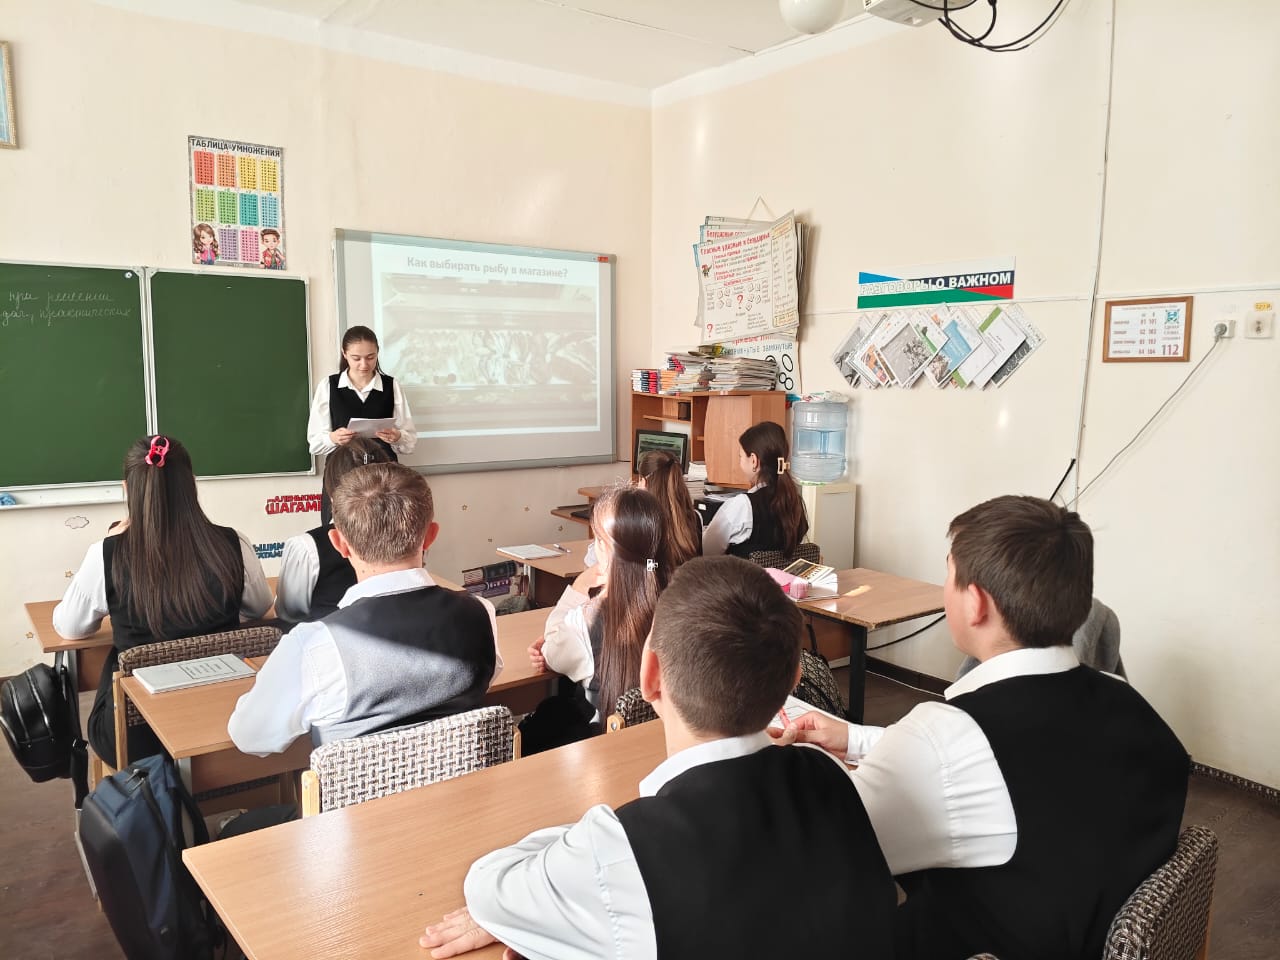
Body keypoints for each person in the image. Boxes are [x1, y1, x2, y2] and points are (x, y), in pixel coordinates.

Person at [420, 556, 895, 960]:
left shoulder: (619, 851)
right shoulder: (832, 775)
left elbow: (487, 887)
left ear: (649, 676)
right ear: (793, 680)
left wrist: (579, 854)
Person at [776, 495, 1189, 960]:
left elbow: (826, 850)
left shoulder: (945, 738)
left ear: (975, 603)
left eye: (948, 574)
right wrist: (855, 739)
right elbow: (1009, 769)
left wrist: (799, 764)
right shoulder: (1129, 702)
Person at [228, 462, 501, 755]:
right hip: (469, 783)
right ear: (431, 536)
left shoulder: (313, 645)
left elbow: (249, 737)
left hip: (356, 786)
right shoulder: (481, 612)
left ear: (339, 544)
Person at [53, 435, 272, 765]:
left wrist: (111, 542)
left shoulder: (107, 554)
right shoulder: (233, 543)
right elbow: (259, 606)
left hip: (136, 739)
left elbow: (70, 627)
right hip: (225, 720)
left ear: (127, 489)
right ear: (192, 485)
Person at [521, 485, 664, 752]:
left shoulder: (584, 621)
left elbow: (551, 651)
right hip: (657, 747)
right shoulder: (677, 601)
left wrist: (578, 588)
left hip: (602, 753)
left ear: (604, 549)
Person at [273, 437, 390, 623]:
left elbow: (289, 613)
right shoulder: (409, 535)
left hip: (325, 637)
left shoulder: (307, 547)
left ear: (331, 493)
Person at [306, 324, 417, 463]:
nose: (364, 365)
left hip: (383, 471)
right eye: (356, 358)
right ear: (344, 354)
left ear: (377, 352)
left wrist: (398, 437)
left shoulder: (392, 385)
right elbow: (315, 444)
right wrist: (333, 438)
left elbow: (410, 442)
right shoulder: (328, 385)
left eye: (370, 357)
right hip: (342, 470)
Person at [702, 420, 808, 558]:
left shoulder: (742, 506)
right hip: (782, 573)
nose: (740, 462)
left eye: (740, 457)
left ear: (753, 461)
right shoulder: (794, 501)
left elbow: (707, 552)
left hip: (741, 573)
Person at [636, 448, 702, 574]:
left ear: (643, 483)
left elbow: (644, 573)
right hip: (687, 585)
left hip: (652, 586)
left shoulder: (640, 523)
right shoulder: (694, 518)